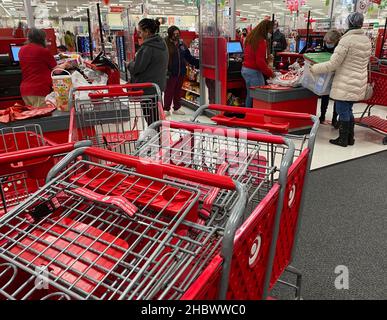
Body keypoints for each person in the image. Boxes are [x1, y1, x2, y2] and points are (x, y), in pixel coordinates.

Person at [311, 13, 372, 147]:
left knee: (342, 109)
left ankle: (343, 139)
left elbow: (333, 64)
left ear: (349, 23)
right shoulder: (366, 40)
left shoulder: (347, 40)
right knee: (348, 109)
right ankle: (350, 138)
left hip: (346, 81)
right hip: (359, 80)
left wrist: (315, 68)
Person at [127, 18, 168, 123]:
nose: (139, 35)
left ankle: (155, 138)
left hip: (147, 89)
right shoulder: (162, 44)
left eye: (140, 32)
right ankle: (157, 137)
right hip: (157, 88)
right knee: (157, 118)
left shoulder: (147, 48)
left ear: (147, 32)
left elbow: (137, 68)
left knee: (151, 120)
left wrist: (129, 64)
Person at [19, 28, 68, 107]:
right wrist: (65, 64)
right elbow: (57, 71)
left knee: (35, 116)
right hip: (39, 89)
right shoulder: (43, 51)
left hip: (25, 91)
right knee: (44, 117)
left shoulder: (21, 49)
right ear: (41, 38)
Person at [164, 26, 199, 116]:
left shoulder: (182, 44)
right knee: (169, 91)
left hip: (181, 71)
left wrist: (198, 63)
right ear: (170, 34)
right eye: (174, 34)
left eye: (178, 34)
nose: (176, 35)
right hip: (170, 72)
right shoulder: (165, 43)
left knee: (178, 90)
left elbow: (188, 57)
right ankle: (166, 109)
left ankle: (177, 108)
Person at [241, 20, 274, 108]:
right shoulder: (261, 41)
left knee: (250, 95)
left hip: (245, 70)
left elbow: (254, 57)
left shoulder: (251, 38)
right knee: (259, 97)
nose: (271, 33)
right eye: (270, 31)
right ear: (265, 30)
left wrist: (267, 60)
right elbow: (259, 62)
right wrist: (271, 73)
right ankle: (256, 118)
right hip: (253, 72)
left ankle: (248, 115)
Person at [317, 29, 342, 127]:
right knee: (325, 95)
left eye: (330, 43)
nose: (328, 44)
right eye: (326, 42)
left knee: (336, 97)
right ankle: (322, 116)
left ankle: (334, 119)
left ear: (336, 41)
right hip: (326, 74)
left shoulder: (340, 49)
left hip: (337, 74)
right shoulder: (324, 46)